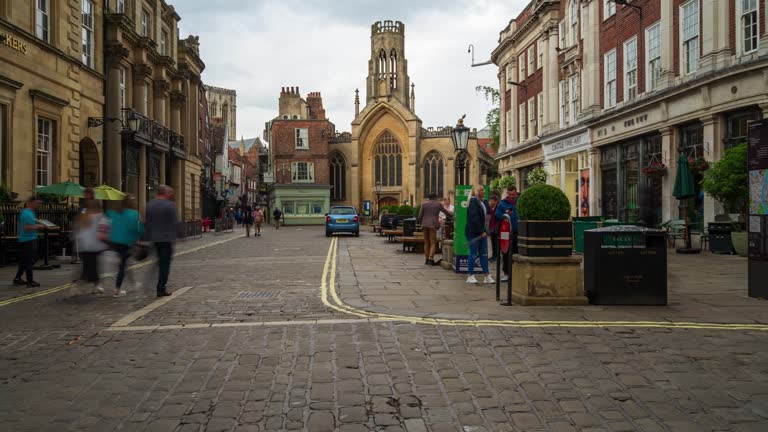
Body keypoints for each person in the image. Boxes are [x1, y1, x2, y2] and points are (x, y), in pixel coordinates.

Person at [106, 194, 143, 297]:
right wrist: (138, 238)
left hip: (114, 242)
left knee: (126, 263)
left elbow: (108, 223)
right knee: (123, 265)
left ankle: (134, 283)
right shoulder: (134, 214)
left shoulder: (114, 212)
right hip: (126, 243)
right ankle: (117, 289)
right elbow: (139, 229)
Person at [145, 185, 177, 297]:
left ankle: (153, 283)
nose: (171, 194)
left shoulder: (150, 204)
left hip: (154, 239)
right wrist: (180, 236)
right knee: (164, 265)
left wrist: (146, 237)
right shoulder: (170, 205)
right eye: (169, 192)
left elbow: (147, 222)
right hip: (166, 239)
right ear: (164, 193)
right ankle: (161, 288)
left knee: (159, 262)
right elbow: (174, 222)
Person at [76, 199, 109, 294]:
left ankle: (87, 283)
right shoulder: (100, 216)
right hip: (94, 245)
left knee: (88, 266)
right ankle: (95, 285)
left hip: (84, 245)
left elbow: (79, 232)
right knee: (94, 266)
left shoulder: (84, 216)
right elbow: (104, 228)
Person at [465, 185, 494, 285]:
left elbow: (487, 215)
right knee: (473, 254)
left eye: (484, 190)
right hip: (473, 232)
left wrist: (485, 229)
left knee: (484, 254)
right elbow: (474, 218)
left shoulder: (483, 202)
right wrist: (482, 231)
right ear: (477, 191)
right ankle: (470, 276)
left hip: (482, 232)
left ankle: (487, 276)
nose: (484, 191)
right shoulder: (473, 201)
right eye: (481, 190)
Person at [13, 198, 44, 287]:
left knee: (24, 261)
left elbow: (30, 223)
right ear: (30, 203)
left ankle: (17, 278)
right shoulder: (26, 213)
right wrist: (39, 226)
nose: (38, 205)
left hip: (29, 239)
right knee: (29, 261)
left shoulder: (30, 213)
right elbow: (27, 227)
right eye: (36, 203)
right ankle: (30, 281)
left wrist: (38, 222)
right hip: (28, 240)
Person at [418, 193, 452, 266]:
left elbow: (420, 216)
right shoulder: (438, 204)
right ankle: (431, 259)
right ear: (435, 198)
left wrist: (422, 223)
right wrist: (452, 216)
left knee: (426, 242)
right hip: (433, 225)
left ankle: (426, 259)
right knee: (433, 242)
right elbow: (445, 212)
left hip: (424, 225)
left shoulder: (423, 204)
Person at [494, 186, 519, 282]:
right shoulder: (502, 204)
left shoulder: (519, 202)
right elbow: (497, 215)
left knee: (516, 253)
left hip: (517, 231)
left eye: (513, 194)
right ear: (507, 194)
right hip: (505, 232)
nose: (511, 196)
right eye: (509, 194)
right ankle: (506, 274)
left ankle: (516, 273)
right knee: (506, 253)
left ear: (516, 193)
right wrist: (505, 214)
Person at [488, 195, 500, 263]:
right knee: (492, 243)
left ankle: (496, 257)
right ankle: (493, 256)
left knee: (496, 243)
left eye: (492, 201)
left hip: (496, 228)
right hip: (491, 228)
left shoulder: (498, 208)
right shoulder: (489, 208)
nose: (490, 202)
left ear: (495, 202)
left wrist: (496, 227)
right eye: (490, 201)